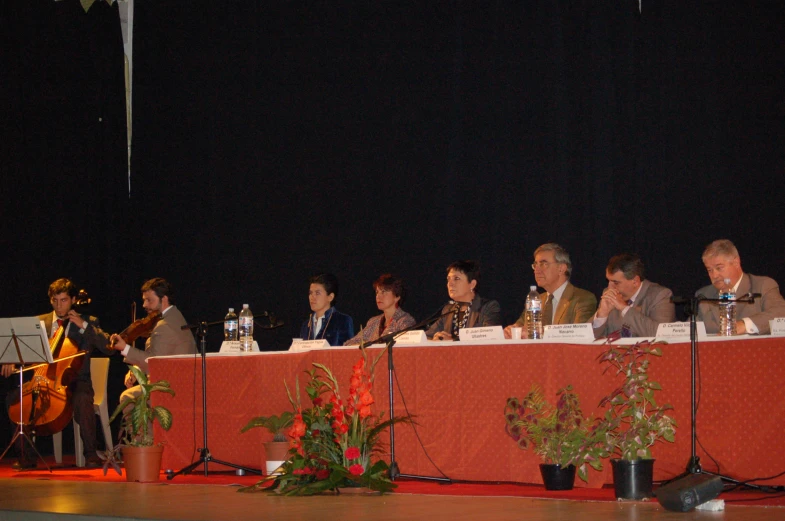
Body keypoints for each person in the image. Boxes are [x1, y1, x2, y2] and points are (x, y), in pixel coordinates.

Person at [2, 278, 113, 470]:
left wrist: (83, 326)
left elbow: (108, 347)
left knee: (82, 398)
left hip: (77, 379)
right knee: (14, 398)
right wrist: (12, 357)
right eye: (55, 300)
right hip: (43, 379)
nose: (59, 305)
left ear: (72, 300)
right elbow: (25, 350)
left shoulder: (88, 322)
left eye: (63, 300)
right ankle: (26, 456)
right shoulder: (40, 322)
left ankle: (91, 454)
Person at [110, 278, 196, 407]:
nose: (144, 305)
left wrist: (125, 348)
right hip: (183, 383)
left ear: (164, 299)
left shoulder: (164, 325)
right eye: (144, 300)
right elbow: (162, 355)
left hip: (172, 388)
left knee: (127, 397)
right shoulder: (176, 316)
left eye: (149, 300)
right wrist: (138, 369)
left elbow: (154, 363)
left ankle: (146, 428)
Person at [504, 243, 597, 338]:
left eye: (544, 264)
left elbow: (580, 335)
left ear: (561, 269)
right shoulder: (536, 299)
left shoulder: (583, 299)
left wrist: (538, 334)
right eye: (535, 265)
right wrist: (512, 330)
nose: (536, 270)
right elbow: (520, 325)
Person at [696, 239, 785, 334]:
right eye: (709, 270)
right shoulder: (703, 295)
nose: (714, 275)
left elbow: (780, 312)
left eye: (719, 268)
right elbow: (691, 329)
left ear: (736, 263)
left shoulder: (762, 286)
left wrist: (744, 325)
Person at [592, 253, 675, 338]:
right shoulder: (609, 293)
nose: (610, 287)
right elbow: (585, 337)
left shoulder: (660, 295)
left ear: (635, 281)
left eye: (616, 282)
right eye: (608, 281)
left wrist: (624, 308)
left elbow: (661, 335)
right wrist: (601, 315)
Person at [427, 260, 501, 341]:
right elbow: (427, 336)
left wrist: (451, 342)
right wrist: (435, 340)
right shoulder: (447, 310)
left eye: (456, 278)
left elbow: (491, 338)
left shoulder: (488, 307)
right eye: (448, 279)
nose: (450, 283)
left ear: (472, 284)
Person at [344, 274, 416, 346]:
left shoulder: (405, 321)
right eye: (377, 292)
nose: (378, 296)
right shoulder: (373, 321)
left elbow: (407, 348)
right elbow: (348, 344)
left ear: (397, 297)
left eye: (384, 292)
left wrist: (367, 346)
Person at [299, 273, 354, 346]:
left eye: (317, 293)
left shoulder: (342, 321)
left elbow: (346, 352)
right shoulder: (306, 325)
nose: (312, 297)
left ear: (330, 297)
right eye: (310, 293)